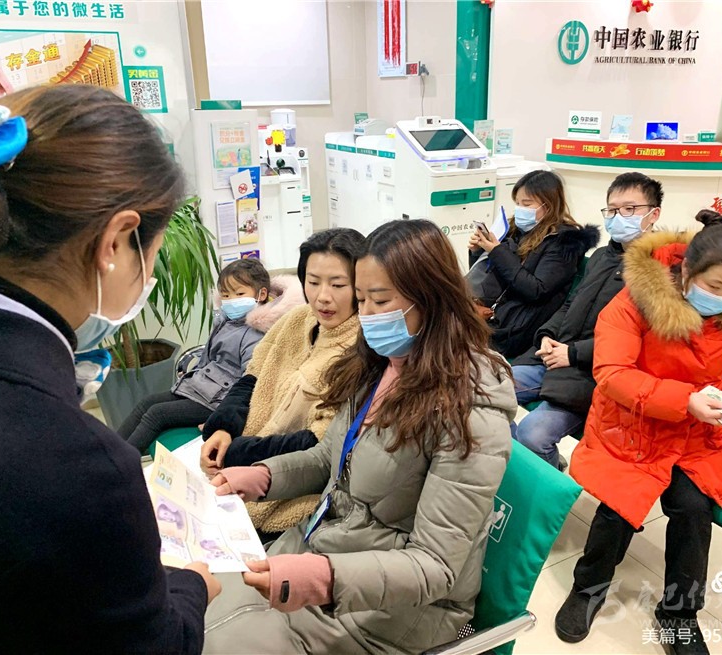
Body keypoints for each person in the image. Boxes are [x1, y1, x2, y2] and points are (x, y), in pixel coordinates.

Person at [0, 86, 221, 652]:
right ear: (116, 242)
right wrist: (190, 585)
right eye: (153, 254)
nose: (148, 278)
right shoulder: (73, 465)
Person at [202, 219, 516, 655]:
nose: (366, 315)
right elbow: (328, 458)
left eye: (380, 301)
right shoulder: (381, 365)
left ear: (432, 297)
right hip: (325, 547)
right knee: (194, 603)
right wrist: (261, 476)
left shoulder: (470, 406)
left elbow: (436, 566)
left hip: (391, 611)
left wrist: (324, 578)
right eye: (362, 298)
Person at [555, 221, 722, 654]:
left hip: (698, 432)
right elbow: (612, 374)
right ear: (687, 270)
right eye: (715, 286)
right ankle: (588, 588)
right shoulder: (633, 304)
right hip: (632, 424)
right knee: (618, 508)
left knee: (694, 510)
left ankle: (679, 613)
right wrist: (683, 400)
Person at [199, 228, 365, 535]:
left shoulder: (362, 349)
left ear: (361, 286)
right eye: (313, 282)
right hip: (239, 467)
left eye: (338, 284)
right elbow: (252, 377)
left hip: (294, 488)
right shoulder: (296, 319)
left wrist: (239, 452)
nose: (323, 296)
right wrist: (223, 428)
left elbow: (321, 443)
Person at [510, 172, 663, 468]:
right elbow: (571, 304)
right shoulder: (602, 257)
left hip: (594, 375)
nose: (619, 217)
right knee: (481, 391)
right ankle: (519, 466)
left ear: (653, 214)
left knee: (533, 436)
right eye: (613, 210)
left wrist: (573, 354)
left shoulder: (660, 269)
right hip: (555, 356)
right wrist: (547, 335)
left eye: (630, 209)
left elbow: (643, 339)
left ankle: (547, 475)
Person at [118, 258, 304, 452]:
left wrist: (221, 417)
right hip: (201, 388)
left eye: (239, 293)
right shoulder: (226, 321)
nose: (231, 300)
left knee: (157, 414)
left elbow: (250, 384)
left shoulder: (257, 334)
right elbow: (208, 357)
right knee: (145, 404)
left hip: (217, 401)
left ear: (261, 294)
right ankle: (106, 455)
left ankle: (119, 464)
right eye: (225, 295)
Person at [469, 169, 599, 359]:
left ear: (549, 204)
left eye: (527, 204)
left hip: (516, 328)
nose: (520, 209)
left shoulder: (563, 242)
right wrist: (478, 252)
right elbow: (490, 277)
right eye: (517, 203)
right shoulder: (515, 230)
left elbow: (536, 290)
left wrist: (497, 251)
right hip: (491, 315)